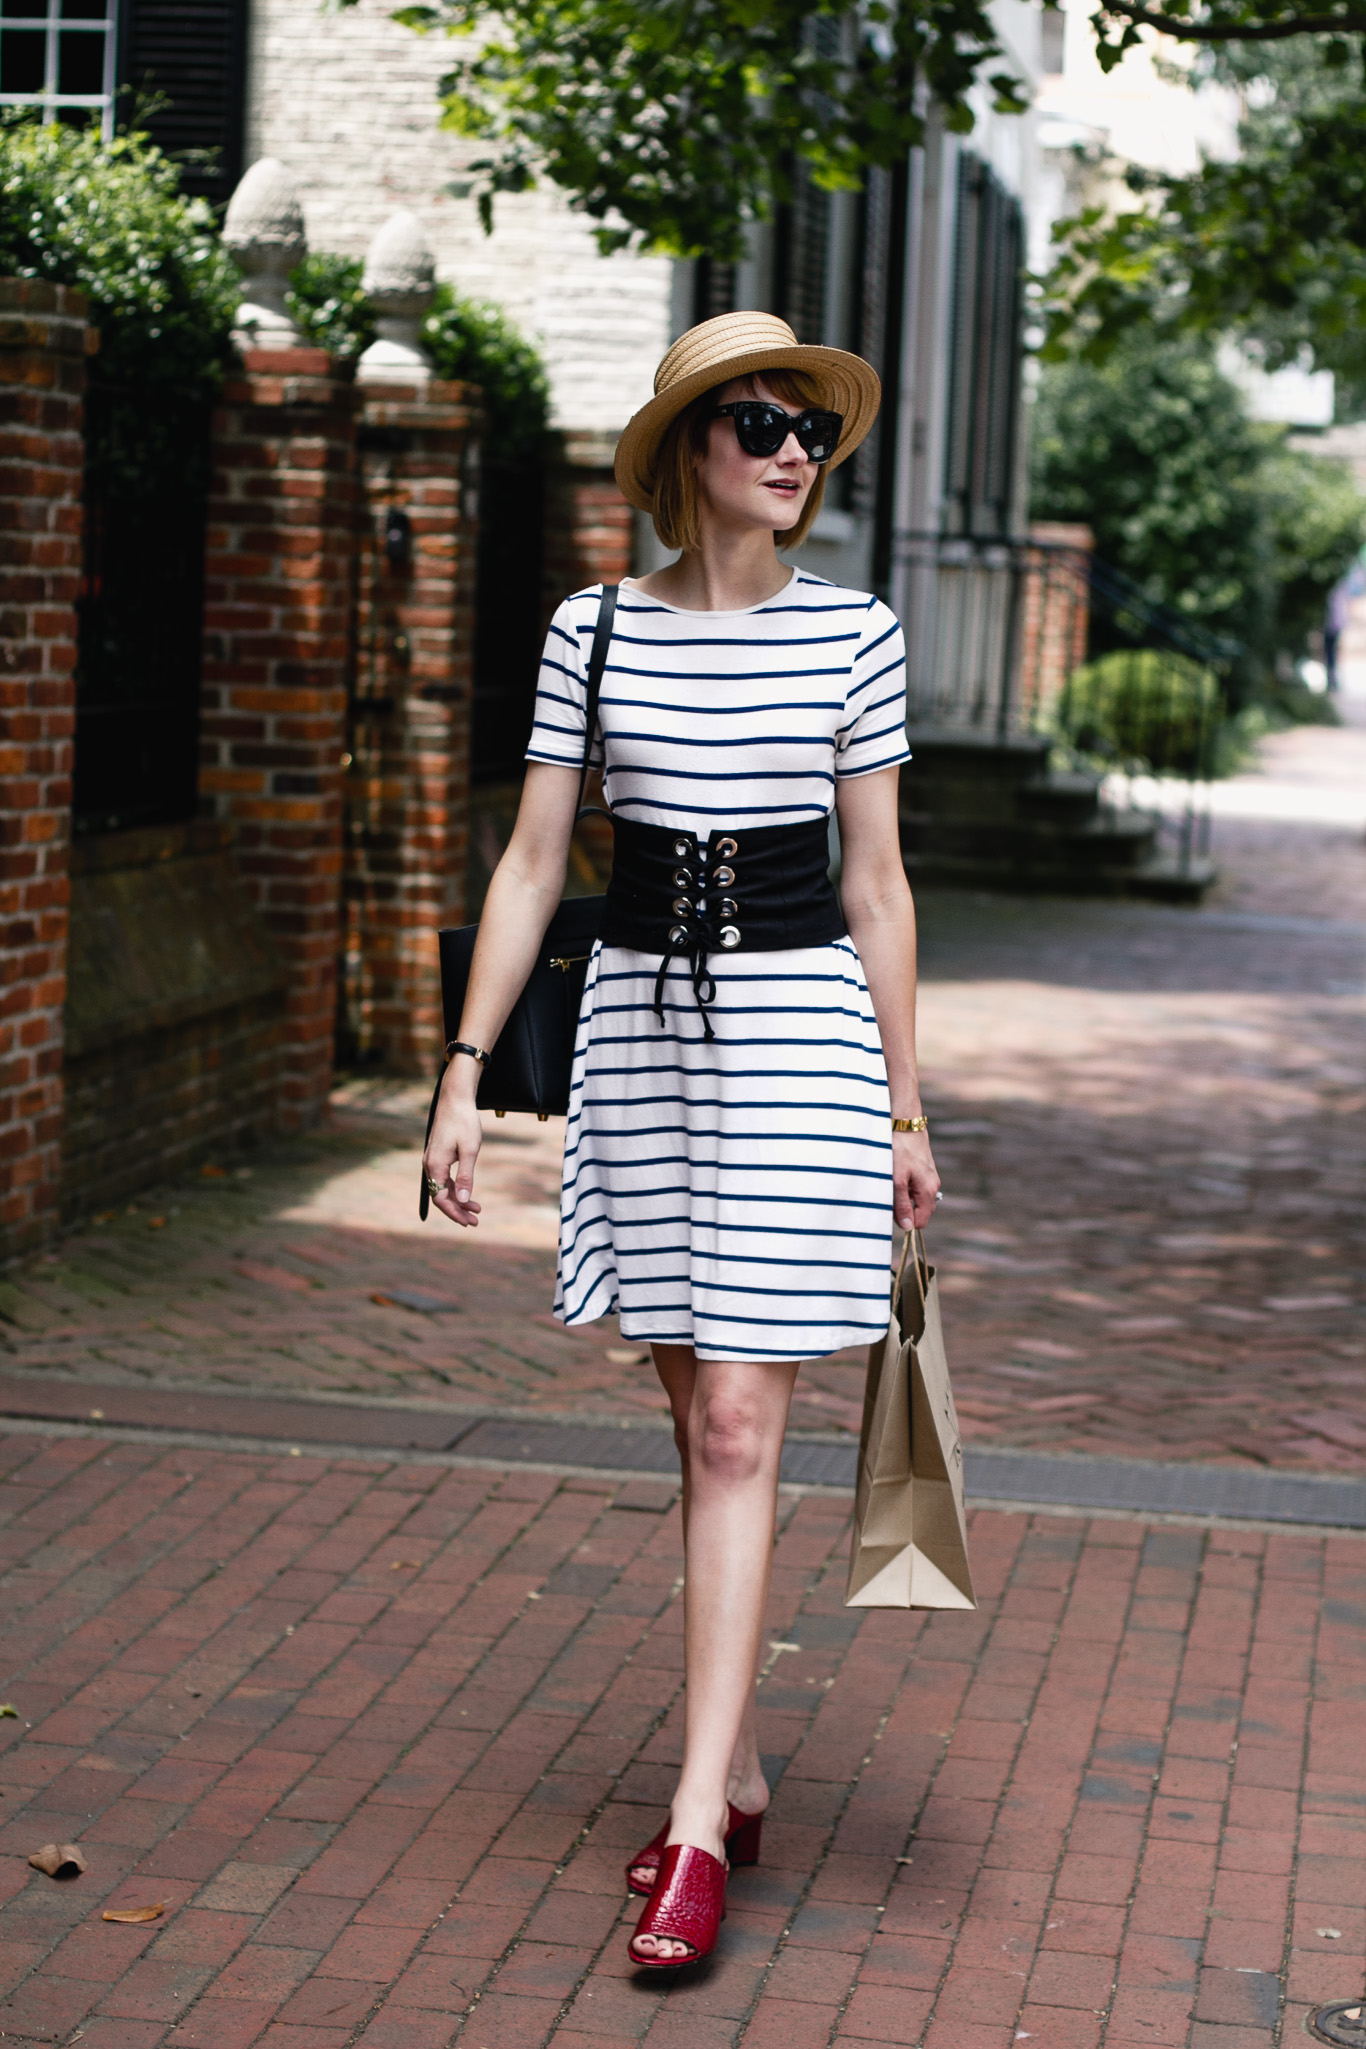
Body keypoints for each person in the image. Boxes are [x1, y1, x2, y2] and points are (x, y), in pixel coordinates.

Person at [422, 311, 941, 1968]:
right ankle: (740, 1751)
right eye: (762, 423)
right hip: (640, 1032)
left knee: (735, 1422)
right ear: (689, 455)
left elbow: (875, 886)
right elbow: (529, 867)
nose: (795, 451)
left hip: (800, 1041)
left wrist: (906, 1106)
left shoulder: (851, 634)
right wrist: (458, 1070)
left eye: (812, 430)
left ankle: (694, 1819)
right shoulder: (592, 633)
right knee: (688, 1397)